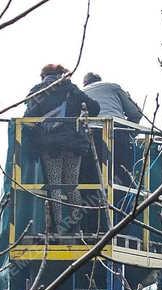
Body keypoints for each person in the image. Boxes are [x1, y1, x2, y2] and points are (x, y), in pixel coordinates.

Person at [23, 64, 100, 236]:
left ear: (44, 76)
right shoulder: (70, 88)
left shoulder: (38, 90)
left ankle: (56, 228)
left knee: (55, 185)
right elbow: (94, 107)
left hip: (51, 145)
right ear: (61, 74)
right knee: (72, 185)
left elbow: (28, 118)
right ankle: (76, 228)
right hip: (74, 144)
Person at [82, 72, 143, 186]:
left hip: (90, 138)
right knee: (122, 173)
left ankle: (92, 198)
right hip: (117, 134)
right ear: (99, 79)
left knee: (91, 177)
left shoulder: (81, 93)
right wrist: (130, 134)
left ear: (85, 83)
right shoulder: (113, 87)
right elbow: (136, 114)